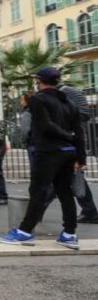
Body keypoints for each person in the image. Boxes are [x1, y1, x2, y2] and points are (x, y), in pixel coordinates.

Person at [0, 67, 86, 249]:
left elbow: (45, 126)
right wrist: (81, 156)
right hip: (69, 153)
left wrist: (67, 137)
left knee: (38, 191)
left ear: (40, 81)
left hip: (48, 152)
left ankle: (24, 231)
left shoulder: (38, 99)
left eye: (36, 80)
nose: (35, 84)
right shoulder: (68, 102)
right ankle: (69, 234)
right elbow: (79, 131)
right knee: (65, 192)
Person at [56, 83, 98, 224]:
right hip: (65, 141)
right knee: (72, 178)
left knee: (61, 179)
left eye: (39, 82)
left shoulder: (69, 92)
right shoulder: (55, 95)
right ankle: (89, 211)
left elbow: (84, 114)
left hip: (70, 141)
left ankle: (32, 217)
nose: (37, 85)